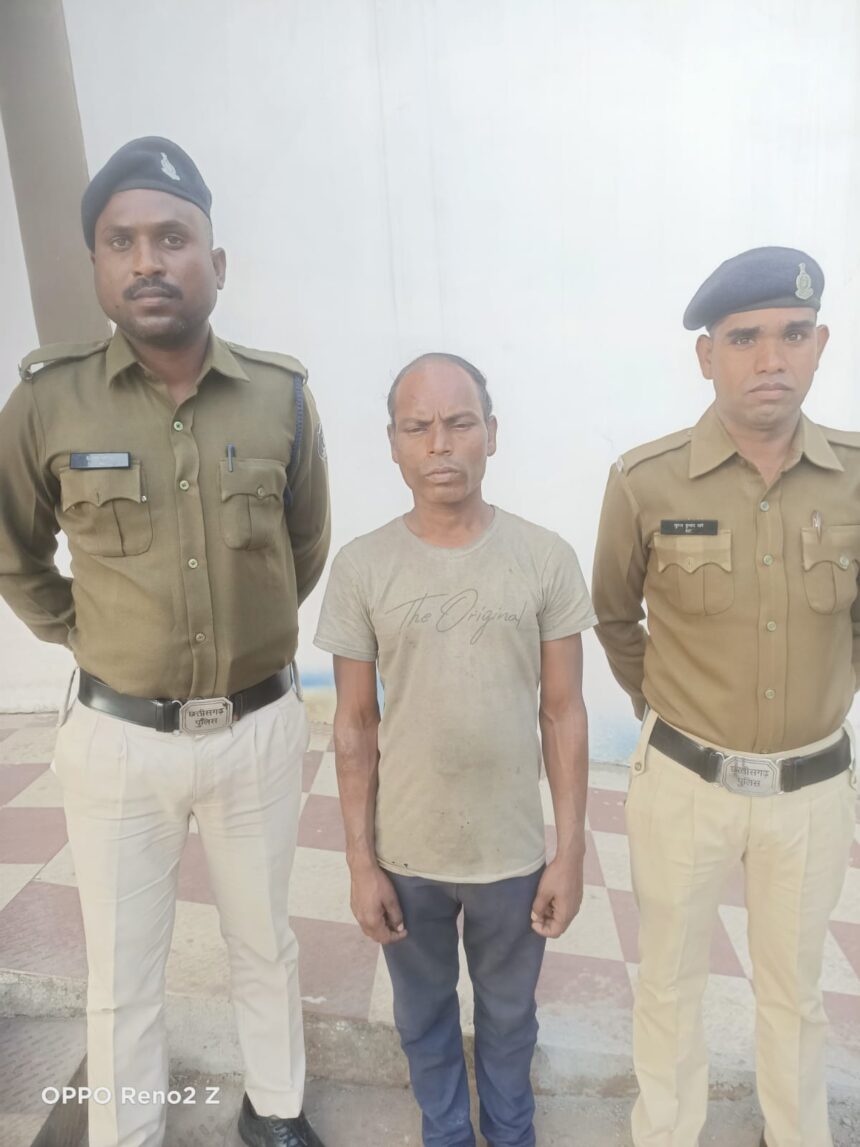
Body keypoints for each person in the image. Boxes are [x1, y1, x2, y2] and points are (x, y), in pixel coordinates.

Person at [0, 137, 330, 1147]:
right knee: (122, 965)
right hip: (118, 740)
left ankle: (276, 1112)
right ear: (98, 266)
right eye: (123, 241)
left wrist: (248, 631)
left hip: (256, 730)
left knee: (263, 942)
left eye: (173, 238)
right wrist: (89, 633)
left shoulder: (279, 394)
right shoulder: (46, 401)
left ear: (214, 264)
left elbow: (304, 543)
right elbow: (13, 551)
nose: (149, 260)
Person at [592, 246, 859, 1147]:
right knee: (670, 984)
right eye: (744, 338)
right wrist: (672, 710)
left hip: (810, 790)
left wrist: (819, 699)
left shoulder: (857, 474)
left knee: (796, 992)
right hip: (686, 785)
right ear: (707, 355)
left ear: (821, 344)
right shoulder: (645, 480)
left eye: (793, 334)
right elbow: (614, 615)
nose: (771, 358)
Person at [314, 352, 594, 1147]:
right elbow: (354, 724)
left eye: (460, 422)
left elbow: (564, 711)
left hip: (512, 853)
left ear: (492, 434)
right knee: (423, 1013)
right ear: (394, 444)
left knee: (510, 1016)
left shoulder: (543, 557)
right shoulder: (363, 566)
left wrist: (569, 852)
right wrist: (360, 863)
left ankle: (511, 1133)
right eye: (418, 427)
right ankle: (445, 1133)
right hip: (408, 852)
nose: (440, 443)